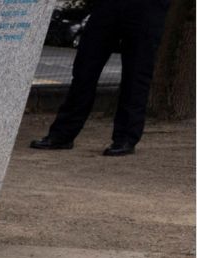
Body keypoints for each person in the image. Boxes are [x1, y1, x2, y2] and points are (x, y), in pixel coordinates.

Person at [29, 0, 172, 156]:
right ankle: (62, 135)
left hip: (147, 8)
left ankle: (125, 139)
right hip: (108, 6)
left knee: (136, 76)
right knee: (84, 69)